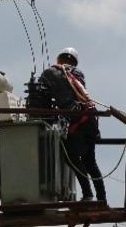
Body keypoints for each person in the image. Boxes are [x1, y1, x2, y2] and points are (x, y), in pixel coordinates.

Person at [26, 47, 106, 203]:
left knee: (71, 157)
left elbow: (42, 96)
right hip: (90, 118)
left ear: (59, 59)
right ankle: (101, 198)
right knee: (90, 162)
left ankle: (88, 194)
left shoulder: (50, 73)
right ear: (74, 62)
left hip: (78, 121)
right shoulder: (78, 74)